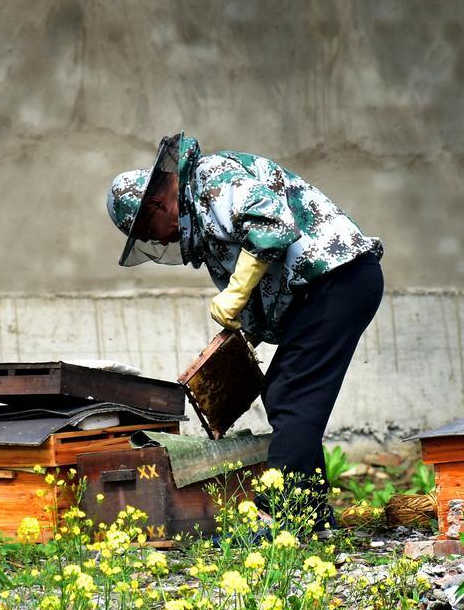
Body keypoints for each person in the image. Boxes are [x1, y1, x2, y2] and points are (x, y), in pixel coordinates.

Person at [106, 133, 384, 532]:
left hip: (338, 278)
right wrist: (238, 338)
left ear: (156, 204)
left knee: (293, 394)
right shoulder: (204, 217)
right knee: (281, 392)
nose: (159, 240)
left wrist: (235, 293)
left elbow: (273, 225)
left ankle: (280, 514)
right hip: (322, 289)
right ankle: (309, 513)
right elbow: (265, 284)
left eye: (150, 232)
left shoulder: (211, 178)